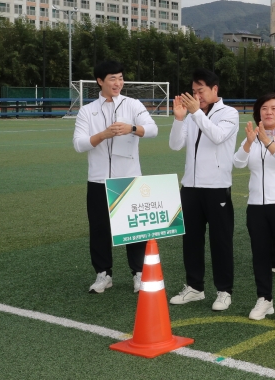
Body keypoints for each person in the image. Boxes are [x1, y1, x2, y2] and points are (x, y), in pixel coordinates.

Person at [72, 60, 158, 294]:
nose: (118, 83)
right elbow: (79, 144)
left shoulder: (133, 104)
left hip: (129, 179)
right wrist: (103, 134)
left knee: (134, 230)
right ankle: (103, 275)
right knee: (99, 229)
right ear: (100, 81)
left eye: (120, 78)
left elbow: (152, 129)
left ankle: (139, 274)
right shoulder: (87, 111)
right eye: (112, 78)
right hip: (98, 180)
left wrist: (132, 128)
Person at [168, 69, 239, 311]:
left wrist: (196, 113)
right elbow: (175, 145)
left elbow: (217, 136)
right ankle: (195, 287)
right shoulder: (190, 115)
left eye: (201, 91)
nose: (197, 95)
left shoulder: (229, 113)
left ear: (215, 90)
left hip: (216, 187)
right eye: (194, 91)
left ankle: (224, 291)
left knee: (221, 241)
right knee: (191, 240)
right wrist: (179, 119)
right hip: (189, 187)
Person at [234, 94, 275, 325]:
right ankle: (265, 298)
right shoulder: (253, 138)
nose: (269, 112)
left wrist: (266, 141)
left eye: (274, 108)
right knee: (260, 255)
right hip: (256, 205)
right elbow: (238, 162)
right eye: (264, 108)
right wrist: (249, 142)